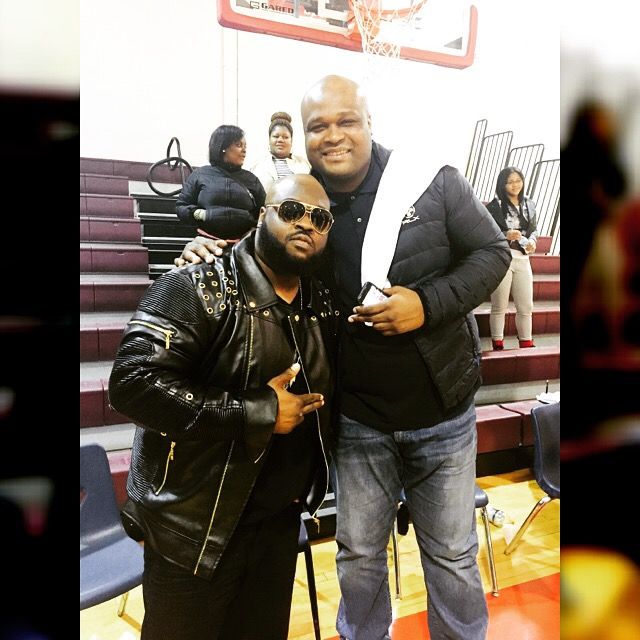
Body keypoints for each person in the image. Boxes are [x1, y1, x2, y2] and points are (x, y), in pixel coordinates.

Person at [175, 74, 511, 640]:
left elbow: (493, 252)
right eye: (317, 126)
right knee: (357, 556)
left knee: (453, 557)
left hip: (442, 414)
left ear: (370, 123)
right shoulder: (307, 202)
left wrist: (426, 304)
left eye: (346, 121)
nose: (332, 136)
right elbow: (262, 258)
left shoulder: (430, 180)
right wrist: (206, 253)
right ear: (304, 137)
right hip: (356, 419)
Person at [108, 174, 337, 640]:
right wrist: (258, 412)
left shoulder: (321, 300)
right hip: (193, 530)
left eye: (320, 218)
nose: (306, 224)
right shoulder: (197, 285)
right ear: (261, 217)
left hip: (277, 523)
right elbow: (132, 383)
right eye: (291, 211)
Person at [175, 124, 266, 242]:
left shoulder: (251, 179)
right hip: (206, 242)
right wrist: (201, 214)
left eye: (245, 146)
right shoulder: (200, 174)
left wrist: (250, 221)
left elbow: (265, 210)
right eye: (239, 145)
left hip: (244, 243)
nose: (244, 150)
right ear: (223, 147)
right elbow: (181, 206)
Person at [485, 166, 538, 350]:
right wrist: (505, 235)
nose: (515, 185)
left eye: (518, 180)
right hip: (502, 258)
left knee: (526, 306)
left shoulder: (529, 204)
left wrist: (532, 242)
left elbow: (533, 230)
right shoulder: (494, 206)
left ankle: (526, 342)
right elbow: (486, 234)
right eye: (510, 182)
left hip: (523, 259)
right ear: (502, 184)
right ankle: (497, 343)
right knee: (499, 305)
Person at [249, 111, 311, 193]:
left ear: (291, 141)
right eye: (276, 136)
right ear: (269, 139)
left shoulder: (305, 164)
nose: (280, 140)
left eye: (285, 137)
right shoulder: (257, 167)